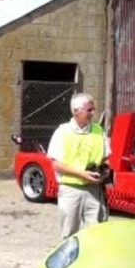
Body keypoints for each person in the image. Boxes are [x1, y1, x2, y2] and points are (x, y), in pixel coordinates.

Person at [47, 93, 111, 239]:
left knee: (96, 234)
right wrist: (82, 174)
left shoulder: (98, 131)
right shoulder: (61, 132)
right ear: (76, 111)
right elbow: (56, 165)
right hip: (71, 190)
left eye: (93, 109)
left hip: (94, 190)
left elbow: (106, 158)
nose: (93, 113)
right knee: (69, 235)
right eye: (89, 110)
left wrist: (104, 172)